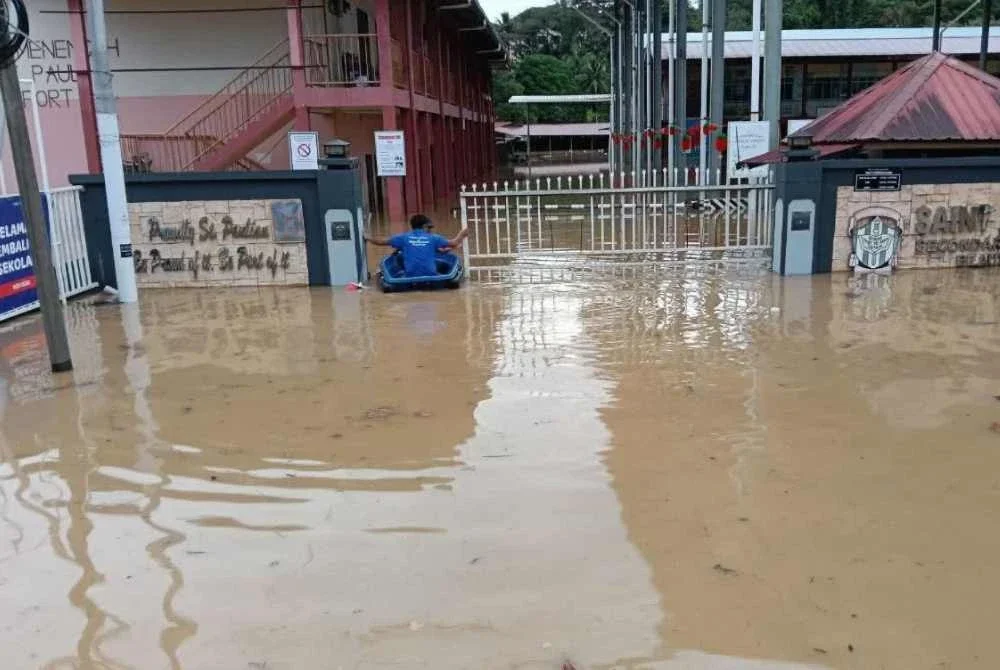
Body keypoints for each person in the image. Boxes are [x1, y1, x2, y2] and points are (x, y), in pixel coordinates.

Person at [365, 214, 468, 277]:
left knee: (399, 257)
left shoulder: (403, 238)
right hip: (431, 274)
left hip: (410, 275)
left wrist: (368, 238)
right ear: (424, 226)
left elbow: (381, 242)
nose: (430, 230)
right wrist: (463, 233)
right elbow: (454, 242)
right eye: (429, 228)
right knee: (444, 265)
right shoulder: (433, 238)